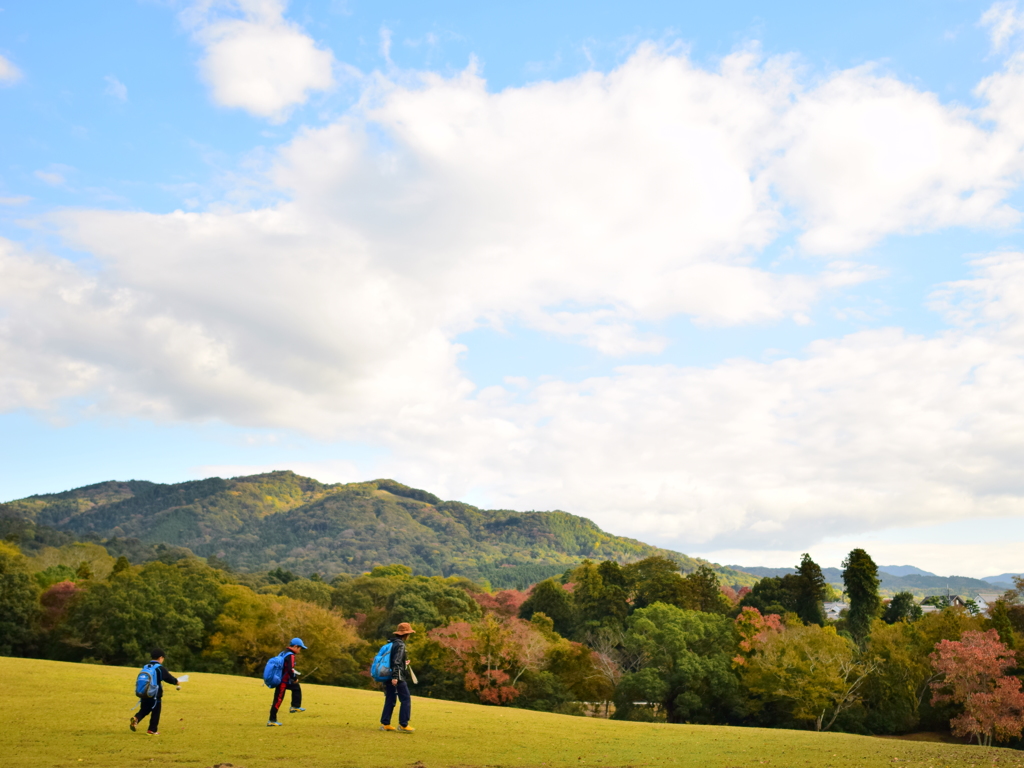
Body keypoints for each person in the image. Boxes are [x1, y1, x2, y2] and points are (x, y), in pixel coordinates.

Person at [130, 648, 180, 735]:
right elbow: (168, 678)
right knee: (156, 712)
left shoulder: (146, 666)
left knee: (144, 709)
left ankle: (136, 718)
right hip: (155, 695)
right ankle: (152, 730)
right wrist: (176, 681)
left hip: (144, 693)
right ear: (160, 658)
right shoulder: (159, 668)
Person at [379, 622, 415, 733]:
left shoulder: (391, 643)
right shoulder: (400, 645)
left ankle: (385, 724)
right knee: (406, 699)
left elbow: (394, 660)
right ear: (406, 634)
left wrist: (404, 663)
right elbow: (396, 661)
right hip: (397, 676)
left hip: (387, 674)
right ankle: (403, 724)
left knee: (390, 699)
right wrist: (395, 677)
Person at [268, 637, 307, 726]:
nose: (300, 650)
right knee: (278, 700)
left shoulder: (283, 653)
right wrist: (294, 678)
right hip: (283, 682)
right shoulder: (291, 655)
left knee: (296, 687)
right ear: (296, 646)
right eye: (300, 648)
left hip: (282, 680)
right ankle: (272, 720)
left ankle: (295, 706)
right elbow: (290, 669)